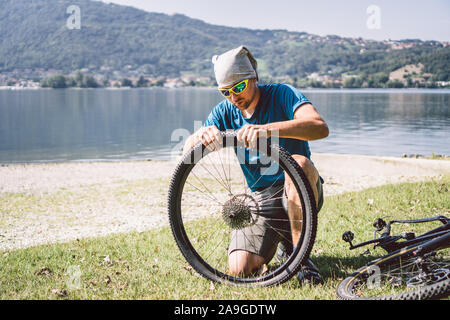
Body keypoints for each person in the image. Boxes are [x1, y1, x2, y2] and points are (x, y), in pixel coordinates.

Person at [183, 45, 329, 285]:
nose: (233, 97)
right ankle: (284, 243)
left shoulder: (282, 94)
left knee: (299, 164)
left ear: (254, 78)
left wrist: (266, 130)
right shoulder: (225, 111)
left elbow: (319, 127)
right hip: (262, 200)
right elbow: (187, 153)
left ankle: (301, 260)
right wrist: (201, 135)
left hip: (301, 189)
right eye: (225, 92)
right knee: (240, 268)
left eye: (238, 87)